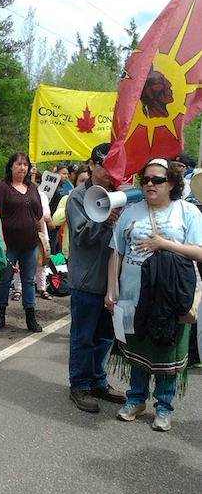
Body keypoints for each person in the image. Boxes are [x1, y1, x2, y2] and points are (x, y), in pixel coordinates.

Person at [106, 157, 202, 431]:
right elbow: (117, 252)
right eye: (145, 179)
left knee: (166, 349)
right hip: (133, 295)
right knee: (138, 346)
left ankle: (164, 406)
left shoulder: (188, 212)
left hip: (170, 297)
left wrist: (165, 244)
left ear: (171, 183)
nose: (149, 184)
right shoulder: (130, 212)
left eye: (156, 180)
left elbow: (199, 251)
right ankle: (136, 398)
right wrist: (110, 290)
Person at [66, 143, 126, 413]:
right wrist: (105, 220)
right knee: (83, 336)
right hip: (86, 281)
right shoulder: (78, 196)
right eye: (103, 165)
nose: (107, 171)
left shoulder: (120, 194)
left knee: (104, 336)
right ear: (91, 164)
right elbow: (81, 236)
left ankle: (98, 380)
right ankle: (79, 385)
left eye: (112, 166)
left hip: (112, 282)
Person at [0, 152, 44, 333]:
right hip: (9, 243)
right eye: (19, 164)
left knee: (29, 280)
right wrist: (0, 239)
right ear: (11, 166)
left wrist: (44, 239)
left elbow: (40, 215)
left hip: (31, 243)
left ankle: (31, 317)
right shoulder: (2, 188)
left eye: (25, 165)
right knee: (5, 279)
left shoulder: (33, 188)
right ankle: (0, 316)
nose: (22, 168)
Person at [12, 172, 53, 301]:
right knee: (18, 264)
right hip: (21, 234)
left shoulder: (42, 196)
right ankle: (18, 289)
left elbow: (46, 214)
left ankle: (42, 288)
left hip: (39, 234)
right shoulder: (16, 193)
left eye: (38, 181)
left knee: (41, 263)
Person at [52, 164, 89, 259]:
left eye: (88, 181)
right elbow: (56, 220)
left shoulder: (97, 200)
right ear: (75, 183)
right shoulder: (67, 199)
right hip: (71, 252)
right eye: (82, 181)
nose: (85, 185)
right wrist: (71, 203)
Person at [49, 164, 71, 254]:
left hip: (62, 223)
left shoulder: (66, 188)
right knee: (52, 246)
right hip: (52, 221)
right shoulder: (51, 187)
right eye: (63, 173)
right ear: (56, 173)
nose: (65, 176)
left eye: (67, 174)